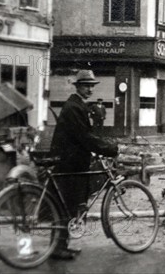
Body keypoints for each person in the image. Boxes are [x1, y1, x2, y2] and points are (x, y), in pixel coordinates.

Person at [50, 70, 118, 260]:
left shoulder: (78, 104)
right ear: (78, 86)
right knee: (67, 205)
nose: (90, 89)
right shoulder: (74, 107)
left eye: (92, 86)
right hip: (70, 162)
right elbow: (84, 137)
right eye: (86, 85)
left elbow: (83, 136)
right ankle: (57, 247)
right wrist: (108, 148)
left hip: (73, 160)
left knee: (70, 205)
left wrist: (97, 146)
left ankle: (61, 245)